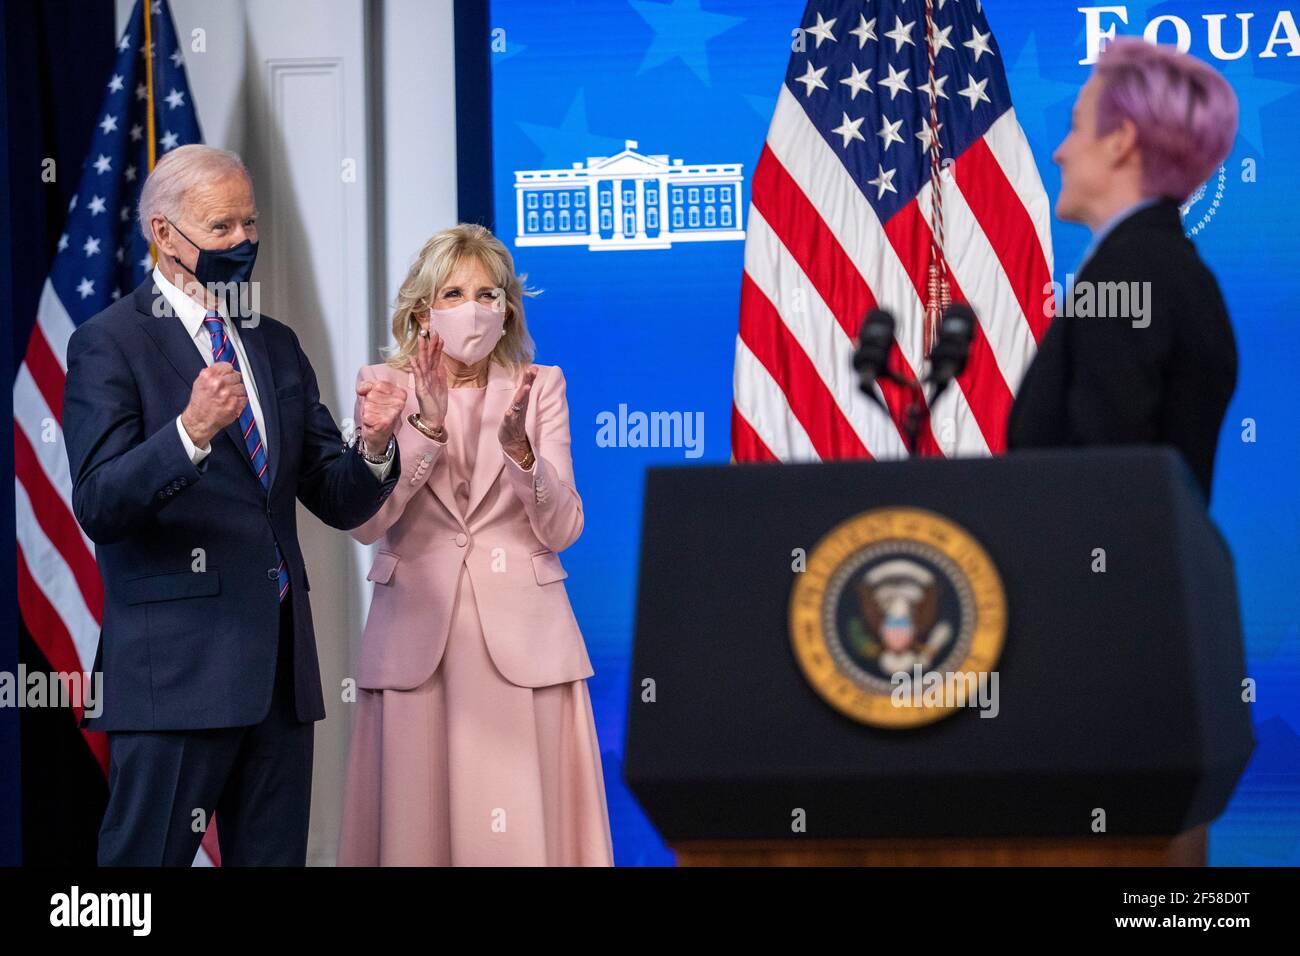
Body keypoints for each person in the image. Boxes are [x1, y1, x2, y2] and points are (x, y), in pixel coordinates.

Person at [63, 144, 406, 866]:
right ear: (164, 233)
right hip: (173, 681)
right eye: (221, 228)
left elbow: (335, 498)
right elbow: (98, 502)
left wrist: (374, 445)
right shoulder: (108, 344)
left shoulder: (272, 343)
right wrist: (188, 432)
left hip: (280, 679)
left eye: (250, 224)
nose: (242, 243)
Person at [336, 224, 613, 866]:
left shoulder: (539, 386)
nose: (474, 307)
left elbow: (564, 528)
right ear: (422, 307)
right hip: (418, 647)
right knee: (417, 837)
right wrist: (426, 429)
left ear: (508, 307)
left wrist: (521, 454)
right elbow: (366, 524)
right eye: (455, 292)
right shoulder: (384, 386)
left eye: (489, 294)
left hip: (526, 647)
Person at [1007, 37, 1239, 501]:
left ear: (1121, 141)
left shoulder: (1127, 273)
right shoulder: (1171, 269)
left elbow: (1103, 477)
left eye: (1075, 127)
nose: (1060, 152)